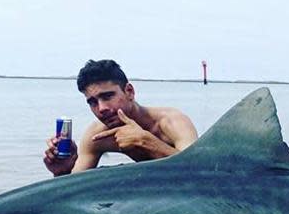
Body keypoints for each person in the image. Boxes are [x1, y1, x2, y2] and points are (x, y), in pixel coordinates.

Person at [44, 59, 198, 177]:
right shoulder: (97, 136)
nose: (101, 108)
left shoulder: (173, 121)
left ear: (129, 91)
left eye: (108, 96)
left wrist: (147, 142)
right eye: (93, 102)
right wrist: (61, 172)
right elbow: (74, 189)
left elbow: (202, 173)